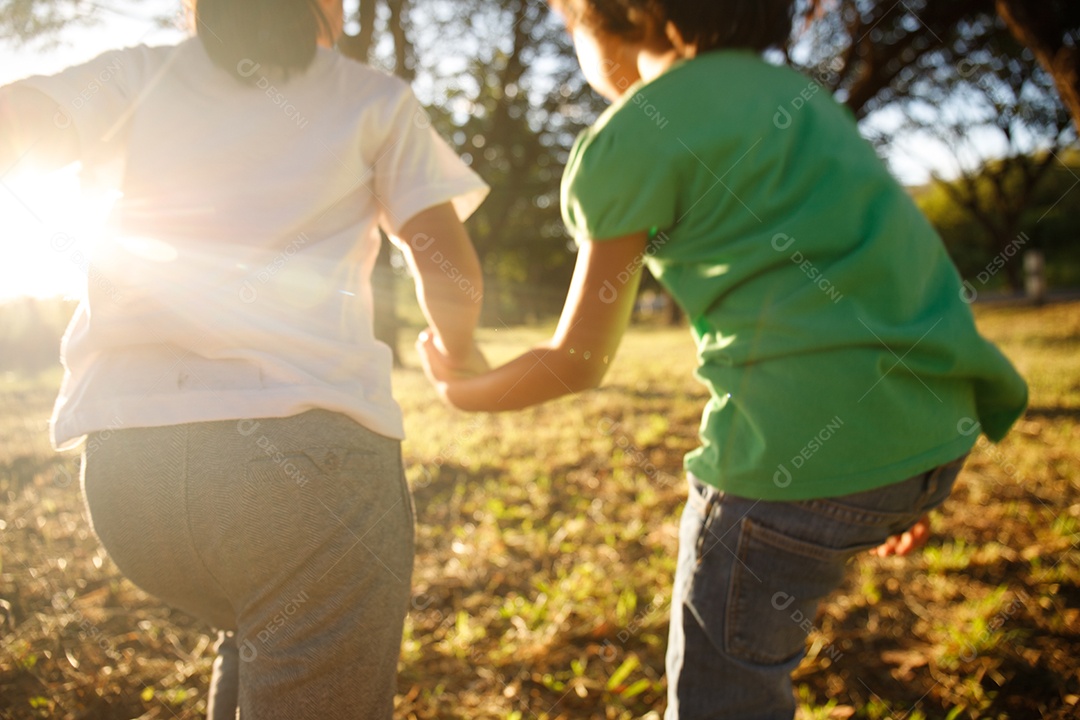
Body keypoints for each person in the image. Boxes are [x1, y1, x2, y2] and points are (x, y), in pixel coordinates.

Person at [416, 1, 1029, 718]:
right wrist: (895, 476)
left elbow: (577, 359)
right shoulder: (806, 105)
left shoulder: (635, 134)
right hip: (933, 436)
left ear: (631, 14)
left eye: (571, 25)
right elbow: (893, 267)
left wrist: (465, 392)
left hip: (788, 464)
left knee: (722, 695)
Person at [0, 0, 490, 717]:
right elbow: (447, 268)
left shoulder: (133, 73)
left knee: (262, 624)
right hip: (306, 476)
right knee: (299, 634)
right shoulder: (374, 99)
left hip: (129, 477)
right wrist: (459, 352)